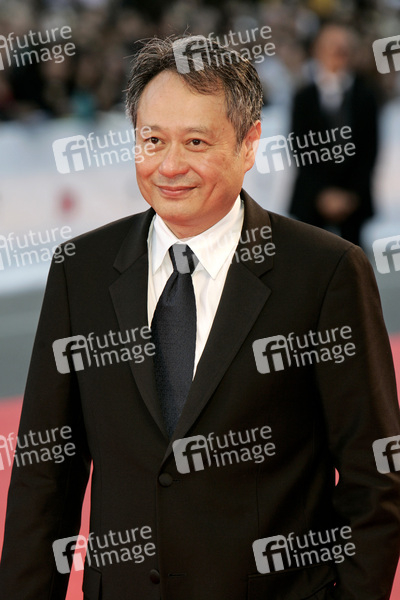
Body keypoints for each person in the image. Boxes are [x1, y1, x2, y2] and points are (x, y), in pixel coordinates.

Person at [0, 35, 399, 600]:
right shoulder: (80, 270)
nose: (170, 166)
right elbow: (45, 479)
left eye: (195, 141)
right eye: (152, 140)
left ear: (249, 143)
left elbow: (374, 477)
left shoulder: (325, 272)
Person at [289, 23, 379, 246]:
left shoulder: (367, 96)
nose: (338, 52)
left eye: (343, 47)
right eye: (331, 46)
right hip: (311, 198)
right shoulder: (303, 98)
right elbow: (301, 149)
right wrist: (322, 193)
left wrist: (350, 195)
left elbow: (369, 150)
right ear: (317, 50)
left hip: (354, 200)